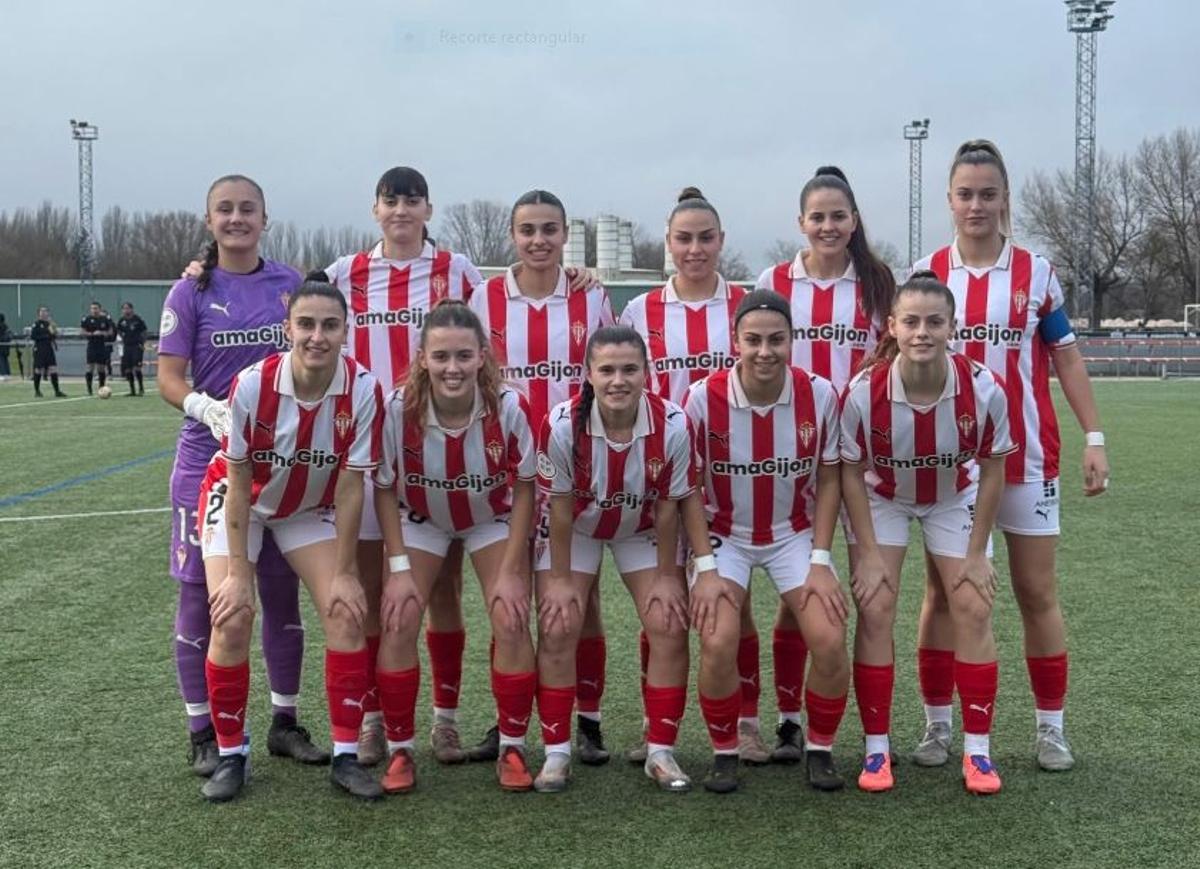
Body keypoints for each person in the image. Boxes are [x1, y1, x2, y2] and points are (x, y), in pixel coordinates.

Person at [912, 140, 1110, 773]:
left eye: (988, 194)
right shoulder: (928, 273)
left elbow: (1067, 357)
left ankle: (1051, 728)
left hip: (1027, 460)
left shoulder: (1037, 273)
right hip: (950, 468)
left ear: (1005, 200)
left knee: (1034, 592)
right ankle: (938, 726)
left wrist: (1094, 437)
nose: (976, 205)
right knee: (944, 598)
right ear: (949, 200)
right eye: (965, 194)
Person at [159, 174, 326, 779]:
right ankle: (203, 730)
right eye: (224, 210)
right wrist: (205, 406)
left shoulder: (290, 285)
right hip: (207, 465)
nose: (236, 219)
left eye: (247, 209)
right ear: (209, 222)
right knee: (206, 598)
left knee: (281, 593)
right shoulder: (190, 290)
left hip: (281, 469)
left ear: (265, 218)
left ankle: (286, 722)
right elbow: (169, 377)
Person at [198, 279, 385, 802]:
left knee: (345, 609)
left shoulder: (363, 390)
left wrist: (346, 570)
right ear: (289, 329)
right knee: (232, 615)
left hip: (306, 506)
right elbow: (236, 485)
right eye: (306, 324)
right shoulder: (254, 385)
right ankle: (232, 754)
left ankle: (346, 757)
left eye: (329, 325)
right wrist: (239, 574)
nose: (317, 336)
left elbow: (351, 488)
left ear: (346, 332)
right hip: (243, 501)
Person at [840, 271, 1015, 794]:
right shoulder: (863, 391)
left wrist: (977, 551)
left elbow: (993, 468)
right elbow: (850, 470)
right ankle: (876, 751)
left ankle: (977, 752)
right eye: (911, 321)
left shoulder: (982, 388)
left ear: (952, 327)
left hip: (952, 495)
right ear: (892, 326)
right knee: (875, 606)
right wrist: (867, 553)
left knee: (972, 604)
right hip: (883, 496)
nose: (922, 332)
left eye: (934, 322)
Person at [618, 187, 769, 763]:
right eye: (684, 238)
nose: (695, 248)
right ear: (668, 244)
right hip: (663, 480)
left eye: (706, 237)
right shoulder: (642, 311)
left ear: (721, 241)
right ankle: (661, 729)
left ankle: (746, 722)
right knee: (666, 604)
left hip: (732, 475)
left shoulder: (747, 303)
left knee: (737, 602)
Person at [468, 188, 615, 764]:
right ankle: (508, 724)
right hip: (503, 470)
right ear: (512, 235)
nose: (538, 240)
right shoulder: (482, 298)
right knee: (508, 598)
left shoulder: (591, 298)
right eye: (527, 230)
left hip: (573, 470)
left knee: (580, 598)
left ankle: (589, 718)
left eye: (549, 229)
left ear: (564, 236)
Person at [535, 325, 712, 793]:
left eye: (630, 369)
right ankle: (556, 754)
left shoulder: (672, 423)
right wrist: (556, 580)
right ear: (589, 374)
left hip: (642, 528)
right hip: (579, 527)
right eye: (607, 369)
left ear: (647, 373)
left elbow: (670, 506)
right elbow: (558, 507)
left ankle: (660, 750)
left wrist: (669, 576)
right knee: (558, 621)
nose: (618, 380)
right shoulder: (560, 424)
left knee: (669, 621)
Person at [683, 290, 848, 793]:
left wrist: (821, 559)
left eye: (776, 339)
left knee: (829, 637)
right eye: (752, 340)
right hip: (724, 535)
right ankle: (725, 750)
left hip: (791, 533)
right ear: (735, 341)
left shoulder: (818, 394)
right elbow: (688, 487)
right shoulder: (701, 397)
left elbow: (830, 478)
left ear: (792, 341)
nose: (764, 351)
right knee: (717, 639)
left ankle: (818, 748)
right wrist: (705, 567)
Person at [372, 301, 538, 794]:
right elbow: (383, 487)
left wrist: (511, 568)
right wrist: (398, 565)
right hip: (422, 520)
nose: (452, 367)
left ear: (483, 357)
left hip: (490, 518)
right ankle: (403, 749)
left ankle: (511, 744)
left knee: (510, 614)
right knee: (399, 613)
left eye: (464, 356)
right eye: (441, 356)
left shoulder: (509, 406)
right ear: (422, 357)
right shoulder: (398, 409)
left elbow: (527, 487)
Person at [756, 166, 894, 762]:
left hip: (860, 458)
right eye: (818, 216)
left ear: (854, 221)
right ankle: (790, 718)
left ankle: (870, 734)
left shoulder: (880, 282)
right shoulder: (775, 279)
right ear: (801, 223)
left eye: (839, 216)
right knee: (796, 594)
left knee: (869, 595)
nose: (829, 226)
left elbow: (892, 357)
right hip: (792, 455)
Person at [29, 307, 66, 397]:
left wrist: (54, 332)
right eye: (42, 311)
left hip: (49, 348)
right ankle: (37, 391)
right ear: (39, 314)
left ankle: (57, 391)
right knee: (38, 369)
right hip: (39, 348)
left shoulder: (49, 324)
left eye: (45, 311)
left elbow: (53, 336)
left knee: (53, 368)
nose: (44, 313)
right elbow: (33, 336)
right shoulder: (36, 324)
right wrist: (45, 336)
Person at [80, 301, 114, 395]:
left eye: (96, 308)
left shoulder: (105, 319)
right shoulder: (86, 319)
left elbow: (110, 332)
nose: (94, 310)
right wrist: (91, 334)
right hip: (91, 345)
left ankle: (101, 388)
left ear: (100, 309)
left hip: (101, 345)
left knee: (101, 368)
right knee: (90, 367)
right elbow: (82, 332)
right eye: (92, 308)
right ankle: (89, 389)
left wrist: (102, 333)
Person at [116, 301, 148, 396]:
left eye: (127, 308)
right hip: (127, 346)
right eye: (124, 308)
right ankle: (132, 390)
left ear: (131, 309)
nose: (126, 310)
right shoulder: (121, 321)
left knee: (137, 368)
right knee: (128, 369)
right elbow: (118, 330)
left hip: (136, 346)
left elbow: (144, 331)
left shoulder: (137, 319)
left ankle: (141, 388)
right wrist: (123, 337)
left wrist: (142, 342)